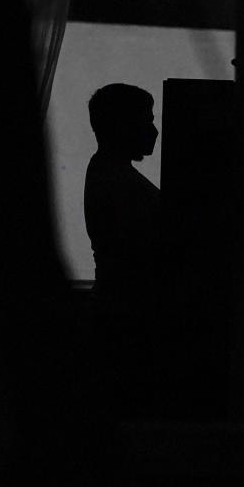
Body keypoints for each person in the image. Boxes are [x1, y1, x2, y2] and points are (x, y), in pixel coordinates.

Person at [84, 83, 171, 419]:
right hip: (125, 323)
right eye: (146, 120)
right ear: (122, 125)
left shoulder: (108, 173)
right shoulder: (119, 182)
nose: (154, 129)